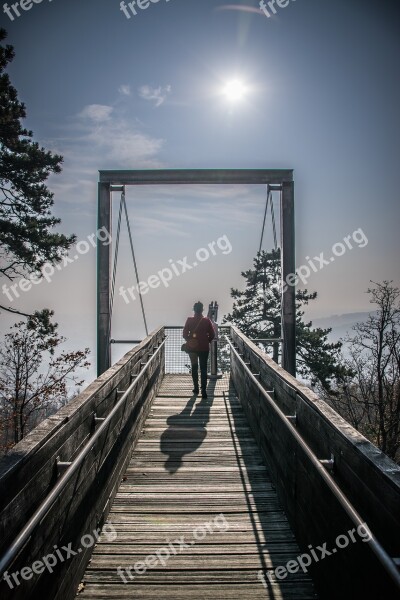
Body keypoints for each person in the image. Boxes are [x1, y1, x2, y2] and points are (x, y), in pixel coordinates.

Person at [183, 301, 215, 398]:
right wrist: (206, 340)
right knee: (204, 368)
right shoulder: (207, 321)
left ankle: (196, 388)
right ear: (202, 310)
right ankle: (204, 391)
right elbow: (212, 334)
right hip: (204, 348)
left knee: (194, 367)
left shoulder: (189, 320)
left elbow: (184, 334)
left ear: (194, 309)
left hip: (192, 348)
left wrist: (190, 340)